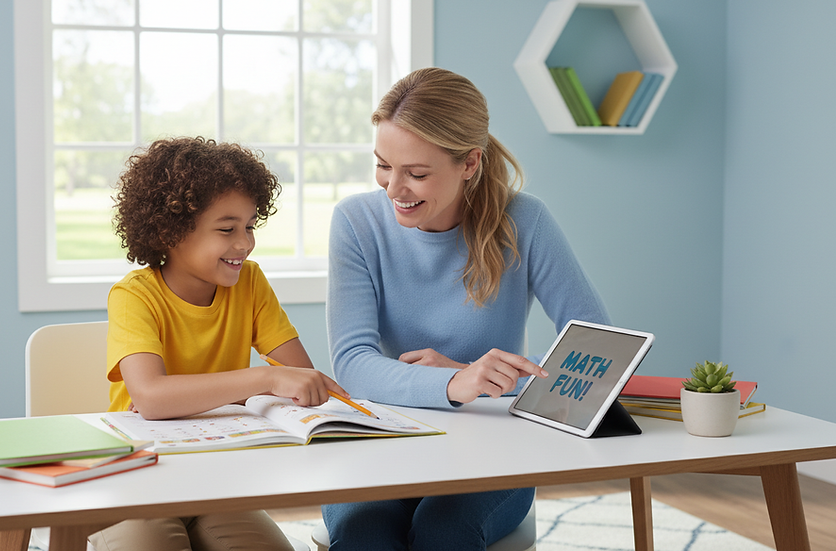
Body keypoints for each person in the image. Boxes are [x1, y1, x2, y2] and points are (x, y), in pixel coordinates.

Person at [323, 67, 611, 549]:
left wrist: (470, 377)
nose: (394, 188)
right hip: (385, 442)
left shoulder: (525, 221)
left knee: (444, 532)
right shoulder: (356, 223)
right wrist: (454, 383)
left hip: (493, 457)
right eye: (383, 165)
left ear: (470, 163)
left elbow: (600, 353)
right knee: (362, 533)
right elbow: (352, 366)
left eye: (416, 173)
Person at [94, 136, 347, 551]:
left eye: (249, 226)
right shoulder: (134, 296)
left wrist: (291, 385)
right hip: (135, 480)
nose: (244, 242)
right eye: (227, 229)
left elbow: (299, 378)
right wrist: (263, 379)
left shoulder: (250, 283)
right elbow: (153, 398)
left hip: (218, 480)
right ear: (170, 232)